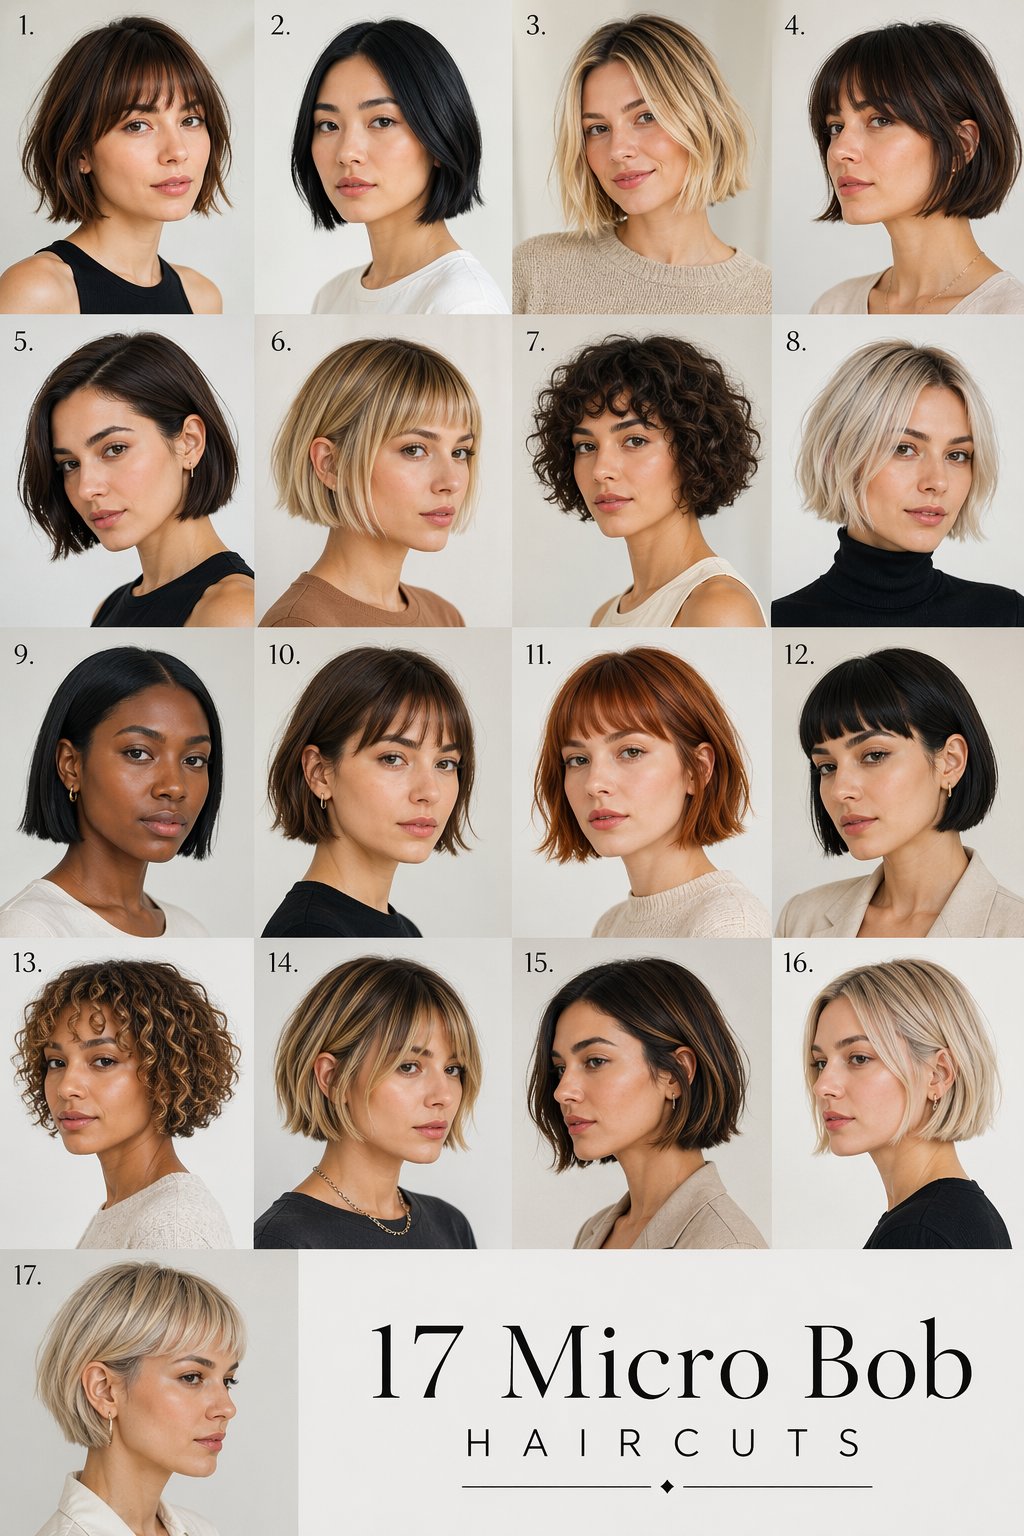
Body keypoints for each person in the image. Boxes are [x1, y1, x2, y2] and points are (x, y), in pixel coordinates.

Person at [514, 14, 770, 315]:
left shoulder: (761, 296)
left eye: (646, 117)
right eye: (598, 128)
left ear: (702, 121)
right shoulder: (535, 269)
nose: (619, 150)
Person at [771, 339, 1024, 626]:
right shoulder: (781, 619)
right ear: (837, 456)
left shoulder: (1007, 615)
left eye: (957, 455)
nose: (938, 482)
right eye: (904, 448)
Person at [776, 648, 1024, 939]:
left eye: (874, 755)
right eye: (827, 766)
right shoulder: (801, 919)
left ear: (950, 761)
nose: (841, 790)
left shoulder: (1013, 930)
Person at [527, 957, 765, 1248]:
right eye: (561, 1069)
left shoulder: (728, 1248)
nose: (562, 1091)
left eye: (595, 1061)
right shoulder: (593, 1232)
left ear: (675, 1076)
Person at [529, 333, 764, 625]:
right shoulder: (604, 616)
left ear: (693, 449)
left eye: (635, 441)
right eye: (586, 446)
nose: (601, 470)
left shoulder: (718, 607)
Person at [0, 17, 230, 315]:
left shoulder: (203, 298)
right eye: (137, 125)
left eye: (191, 120)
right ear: (80, 152)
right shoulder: (37, 291)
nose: (177, 151)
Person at [20, 332, 253, 626]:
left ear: (189, 443)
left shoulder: (233, 610)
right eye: (69, 464)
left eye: (114, 449)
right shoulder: (107, 609)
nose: (87, 488)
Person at [533, 646, 769, 937]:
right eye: (578, 760)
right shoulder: (609, 926)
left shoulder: (729, 924)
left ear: (698, 769)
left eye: (631, 751)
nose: (594, 784)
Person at [255, 955, 481, 1248]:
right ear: (333, 1078)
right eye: (408, 1066)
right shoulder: (283, 1240)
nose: (444, 1096)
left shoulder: (451, 1225)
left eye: (452, 1069)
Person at [0, 647, 223, 939]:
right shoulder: (30, 929)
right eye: (138, 753)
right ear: (71, 766)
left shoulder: (191, 931)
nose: (174, 787)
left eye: (194, 760)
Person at [15, 959, 238, 1248]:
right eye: (57, 1062)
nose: (67, 1087)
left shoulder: (171, 1227)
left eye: (104, 1061)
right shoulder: (129, 1208)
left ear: (166, 1074)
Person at [290, 19, 507, 314]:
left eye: (382, 121)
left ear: (438, 136)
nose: (347, 153)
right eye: (329, 125)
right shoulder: (331, 297)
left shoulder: (464, 303)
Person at [807, 22, 1024, 315]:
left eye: (881, 120)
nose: (840, 150)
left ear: (961, 145)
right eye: (835, 127)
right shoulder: (833, 308)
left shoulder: (1009, 312)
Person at [259, 337, 476, 627]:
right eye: (414, 449)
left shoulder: (445, 616)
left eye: (460, 452)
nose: (451, 482)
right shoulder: (301, 623)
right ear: (331, 464)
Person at [261, 646, 475, 938]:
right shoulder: (310, 931)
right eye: (393, 759)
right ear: (319, 773)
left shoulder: (408, 931)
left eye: (445, 763)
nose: (430, 792)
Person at [806, 958, 1010, 1247]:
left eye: (859, 1058)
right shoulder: (967, 1217)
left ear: (938, 1074)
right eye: (821, 1062)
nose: (822, 1086)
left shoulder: (918, 1232)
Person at [33, 1260, 244, 1536]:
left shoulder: (202, 1530)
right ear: (104, 1390)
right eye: (191, 1377)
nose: (227, 1408)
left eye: (228, 1381)